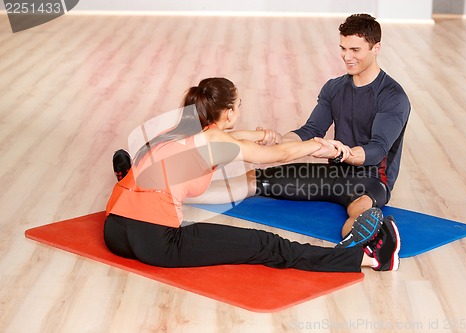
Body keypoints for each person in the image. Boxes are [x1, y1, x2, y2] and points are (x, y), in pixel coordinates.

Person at [104, 77, 400, 272]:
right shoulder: (217, 142)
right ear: (230, 113)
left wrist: (259, 135)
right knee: (266, 245)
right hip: (158, 243)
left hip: (114, 231)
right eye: (239, 106)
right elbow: (277, 156)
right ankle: (370, 259)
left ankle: (126, 175)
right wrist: (319, 146)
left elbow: (227, 139)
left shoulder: (179, 130)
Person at [254, 14, 410, 258]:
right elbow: (311, 131)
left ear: (376, 48)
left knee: (360, 210)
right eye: (343, 48)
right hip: (333, 174)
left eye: (355, 49)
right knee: (254, 179)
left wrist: (339, 152)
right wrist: (278, 141)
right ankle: (188, 194)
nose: (347, 57)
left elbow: (377, 150)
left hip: (370, 180)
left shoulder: (392, 96)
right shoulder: (334, 88)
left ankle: (356, 243)